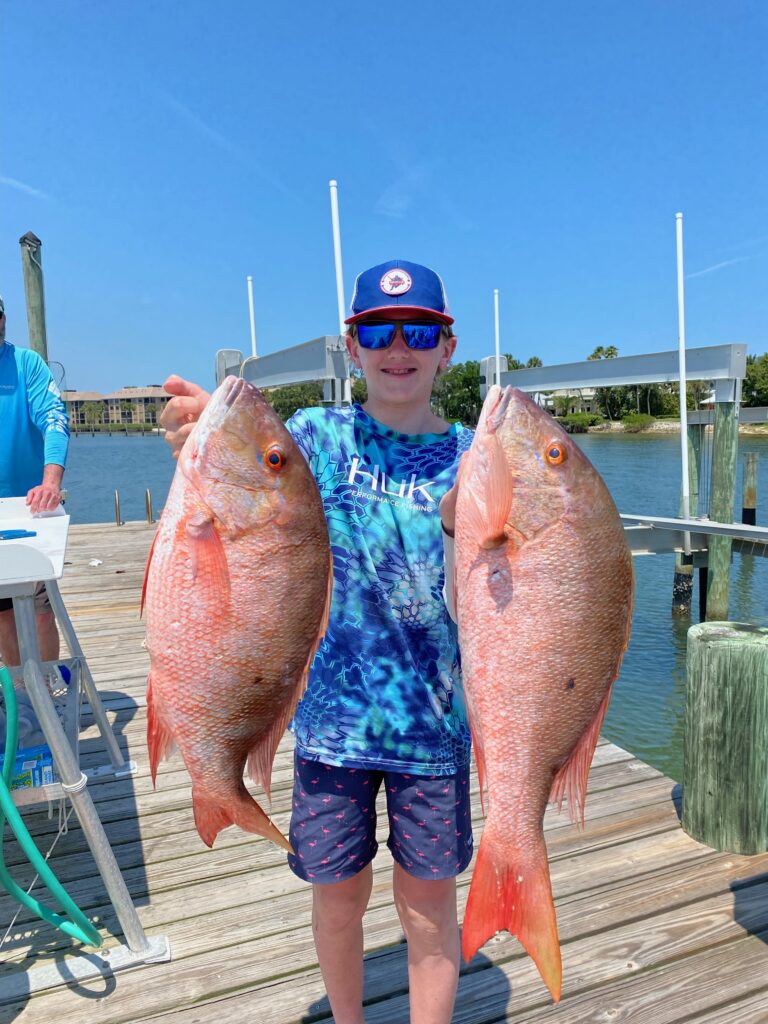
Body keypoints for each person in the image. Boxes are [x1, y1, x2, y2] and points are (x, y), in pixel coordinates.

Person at [161, 260, 473, 1024]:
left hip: (434, 731)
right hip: (328, 728)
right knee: (338, 903)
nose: (398, 347)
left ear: (446, 347)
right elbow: (252, 490)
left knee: (429, 908)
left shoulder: (477, 455)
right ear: (352, 344)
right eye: (378, 331)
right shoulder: (313, 437)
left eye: (419, 331)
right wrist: (206, 431)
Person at [0, 295, 70, 667]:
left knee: (42, 612)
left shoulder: (27, 365)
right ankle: (19, 692)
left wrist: (50, 480)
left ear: (3, 318)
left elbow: (55, 420)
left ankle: (51, 686)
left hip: (29, 512)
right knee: (4, 617)